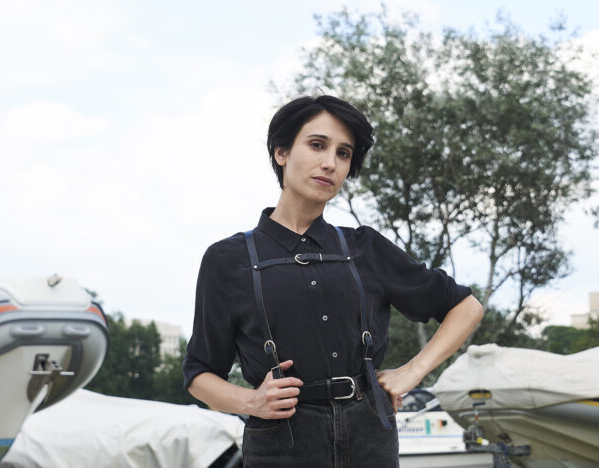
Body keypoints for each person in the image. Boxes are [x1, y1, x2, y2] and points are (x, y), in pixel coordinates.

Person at [183, 95, 483, 467]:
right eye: (317, 145)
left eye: (344, 153)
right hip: (281, 446)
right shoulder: (227, 260)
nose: (330, 163)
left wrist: (413, 371)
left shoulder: (366, 248)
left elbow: (466, 307)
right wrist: (251, 401)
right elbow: (199, 374)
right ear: (281, 152)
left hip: (371, 440)